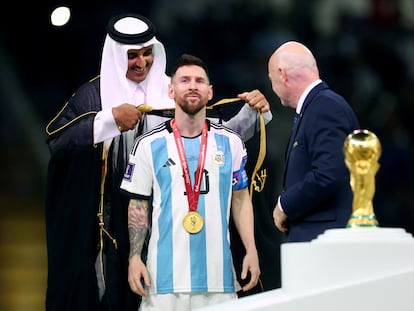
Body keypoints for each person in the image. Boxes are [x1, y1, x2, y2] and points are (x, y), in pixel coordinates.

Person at [44, 13, 271, 311]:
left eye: (147, 53)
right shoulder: (93, 97)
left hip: (172, 221)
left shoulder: (173, 89)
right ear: (115, 55)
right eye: (132, 56)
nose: (141, 63)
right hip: (112, 225)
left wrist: (256, 113)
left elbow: (216, 136)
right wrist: (110, 119)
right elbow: (57, 140)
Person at [120, 53, 260, 311]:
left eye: (199, 80)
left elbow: (240, 199)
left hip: (219, 282)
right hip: (161, 282)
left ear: (210, 92)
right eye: (184, 80)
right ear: (171, 90)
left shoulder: (231, 143)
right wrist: (134, 257)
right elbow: (138, 203)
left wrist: (251, 250)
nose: (193, 85)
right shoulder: (147, 145)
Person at [268, 41, 360, 242]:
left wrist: (285, 204)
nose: (272, 86)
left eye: (271, 77)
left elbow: (328, 174)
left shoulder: (324, 107)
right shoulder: (318, 107)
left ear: (282, 74)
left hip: (324, 241)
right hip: (319, 240)